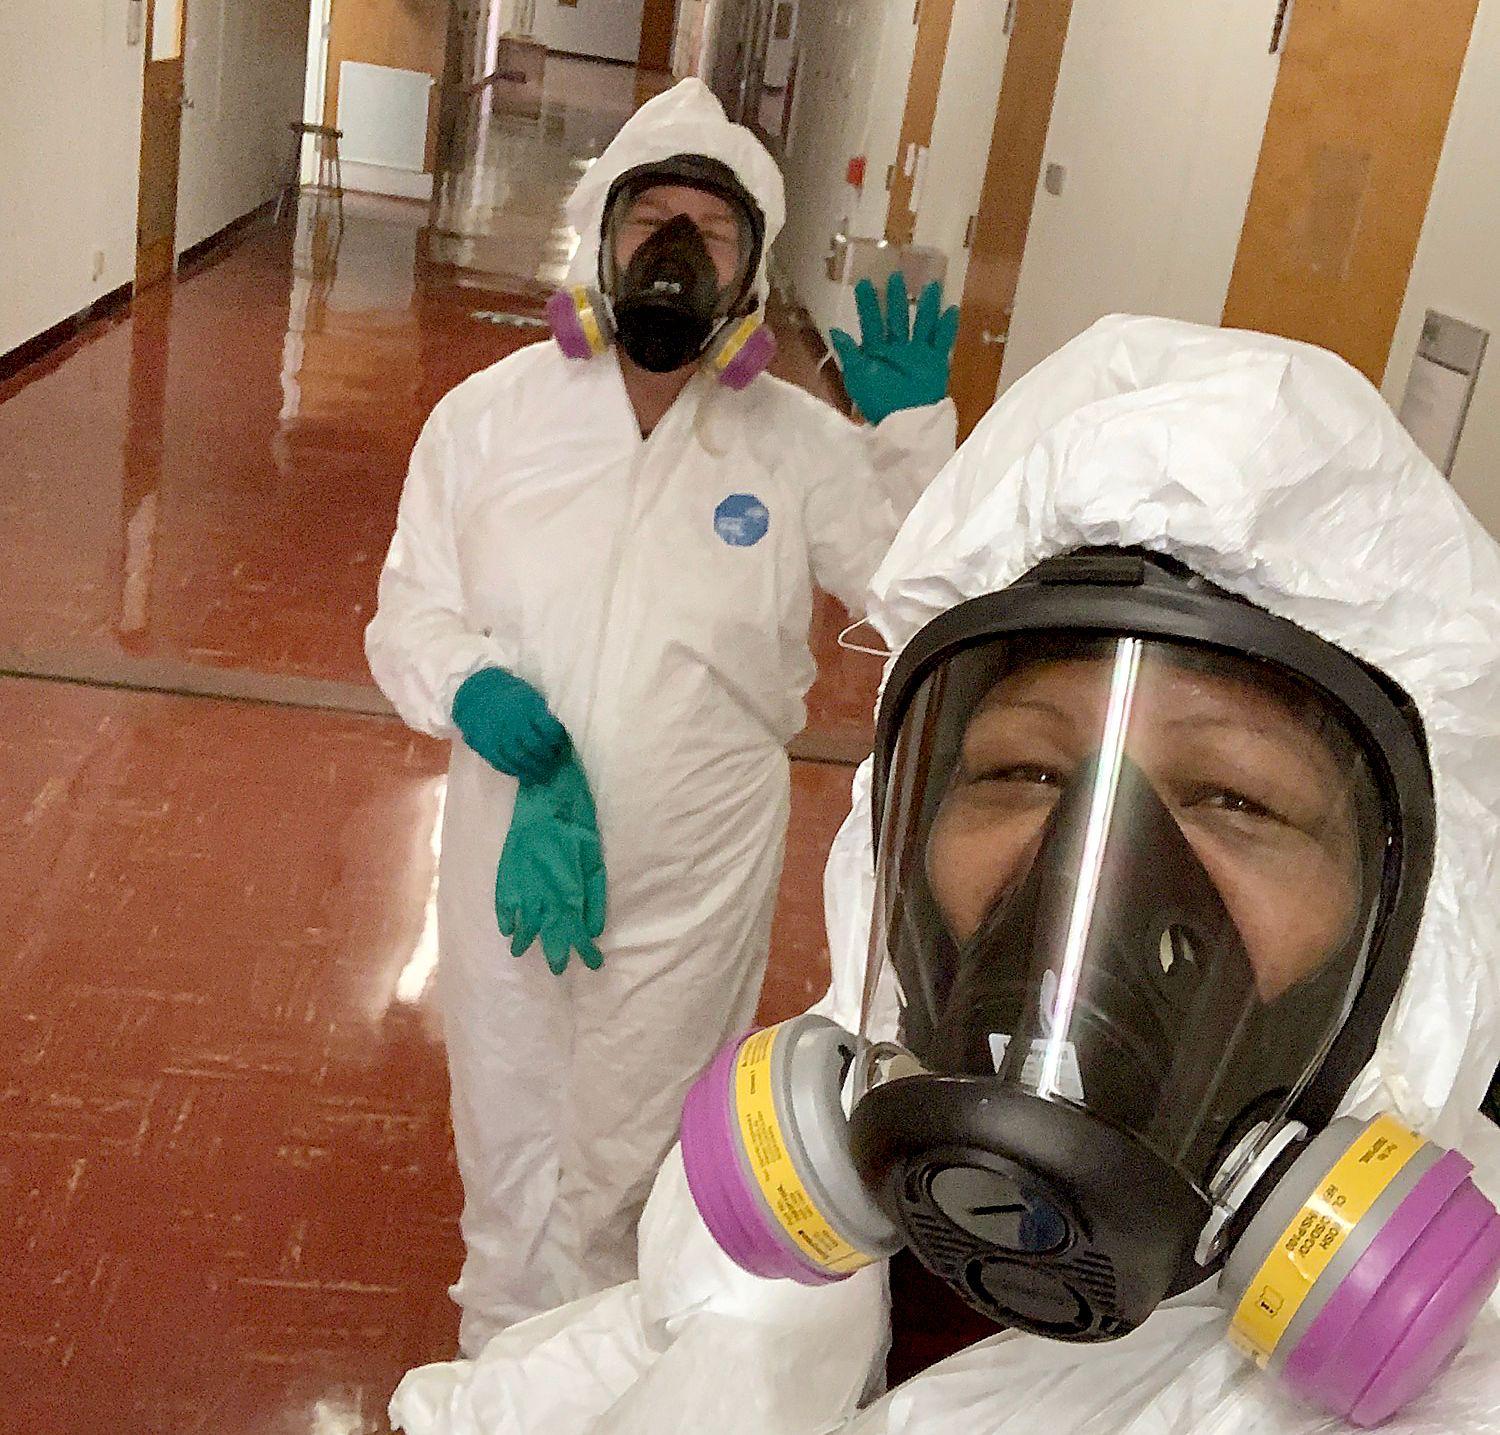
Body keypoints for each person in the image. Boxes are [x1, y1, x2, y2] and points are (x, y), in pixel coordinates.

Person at [389, 313, 1500, 1435]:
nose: (1091, 878)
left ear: (1419, 929)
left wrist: (915, 431)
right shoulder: (760, 1286)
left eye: (1236, 799)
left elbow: (871, 538)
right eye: (1020, 769)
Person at [365, 77, 958, 1355]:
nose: (677, 253)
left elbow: (930, 592)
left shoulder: (796, 446)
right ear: (602, 236)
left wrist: (910, 435)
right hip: (503, 857)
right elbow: (407, 611)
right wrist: (467, 682)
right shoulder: (488, 420)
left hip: (695, 877)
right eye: (653, 219)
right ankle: (497, 1364)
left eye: (715, 228)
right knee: (508, 1118)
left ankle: (584, 1367)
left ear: (750, 269)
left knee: (632, 1147)